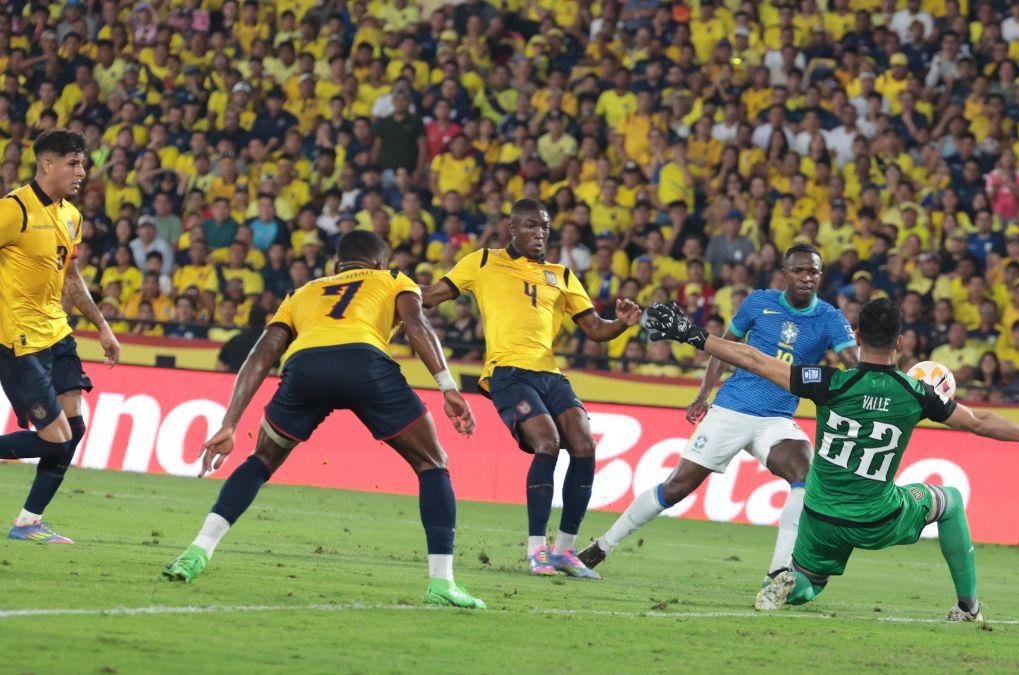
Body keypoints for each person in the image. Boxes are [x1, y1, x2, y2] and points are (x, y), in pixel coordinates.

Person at [644, 298, 1019, 618]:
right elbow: (980, 421)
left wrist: (694, 335)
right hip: (879, 514)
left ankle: (787, 582)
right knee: (948, 499)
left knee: (809, 586)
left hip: (820, 513)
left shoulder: (830, 382)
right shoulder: (917, 395)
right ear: (899, 341)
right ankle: (968, 607)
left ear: (856, 337)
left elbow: (755, 360)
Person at [162, 231, 485, 609]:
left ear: (336, 266)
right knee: (433, 464)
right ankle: (442, 583)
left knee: (261, 460)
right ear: (380, 263)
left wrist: (230, 422)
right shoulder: (393, 279)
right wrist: (447, 386)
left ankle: (196, 552)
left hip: (306, 366)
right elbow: (417, 326)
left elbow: (263, 352)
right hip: (364, 362)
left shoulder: (303, 292)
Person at [579, 244, 859, 588]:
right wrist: (703, 393)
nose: (806, 278)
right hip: (732, 408)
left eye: (813, 272)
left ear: (820, 277)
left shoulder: (830, 318)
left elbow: (853, 362)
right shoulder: (758, 302)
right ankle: (602, 546)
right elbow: (721, 347)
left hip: (777, 419)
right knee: (677, 487)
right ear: (785, 274)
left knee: (806, 472)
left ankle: (778, 573)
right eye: (799, 271)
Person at [421, 198, 642, 579]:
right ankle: (536, 550)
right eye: (529, 226)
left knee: (585, 445)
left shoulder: (563, 275)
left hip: (549, 372)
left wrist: (621, 323)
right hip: (508, 372)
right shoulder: (483, 262)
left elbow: (594, 329)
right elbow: (429, 296)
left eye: (543, 227)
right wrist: (393, 287)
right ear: (511, 229)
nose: (538, 233)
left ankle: (564, 551)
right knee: (547, 442)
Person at [0, 129, 121, 544]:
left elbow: (70, 277)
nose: (81, 171)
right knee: (56, 440)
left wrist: (102, 326)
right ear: (46, 164)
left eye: (83, 163)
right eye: (73, 162)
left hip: (58, 333)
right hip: (19, 341)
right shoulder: (14, 209)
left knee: (74, 428)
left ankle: (28, 522)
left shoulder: (71, 216)